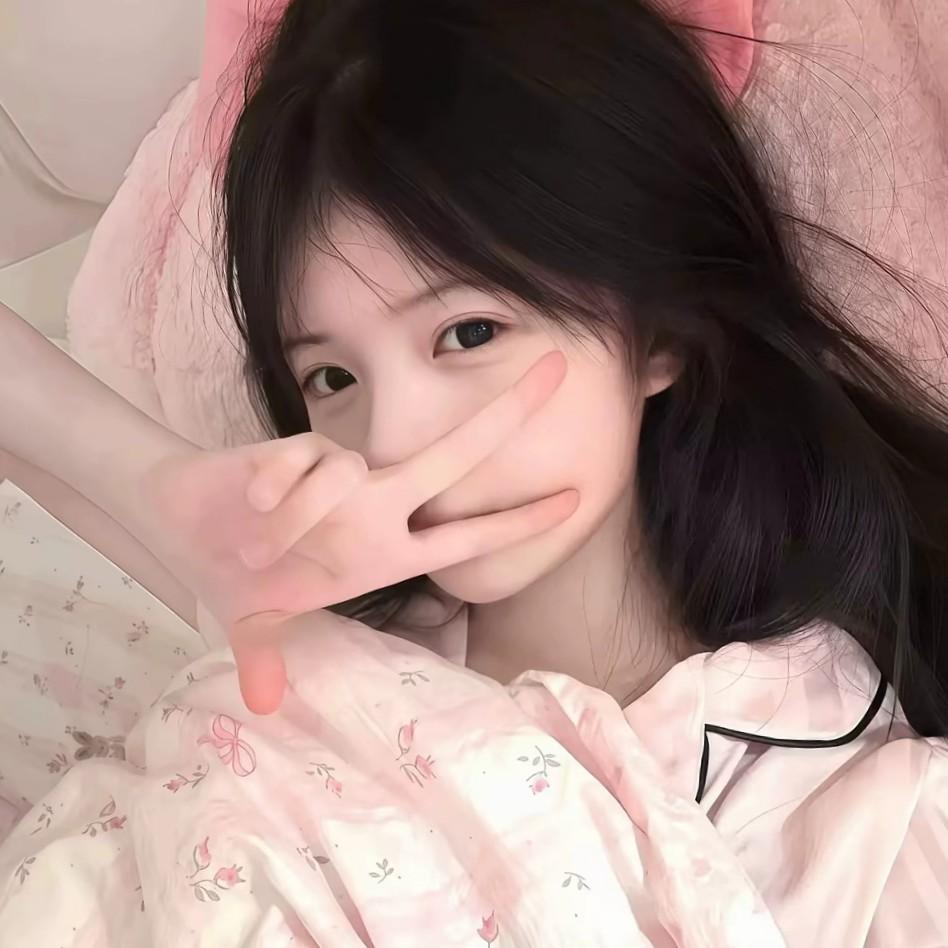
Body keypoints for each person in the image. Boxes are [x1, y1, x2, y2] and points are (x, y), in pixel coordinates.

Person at [0, 0, 946, 942]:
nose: (389, 436)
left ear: (660, 332)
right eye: (332, 377)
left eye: (469, 332)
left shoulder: (860, 820)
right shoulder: (303, 629)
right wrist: (159, 488)